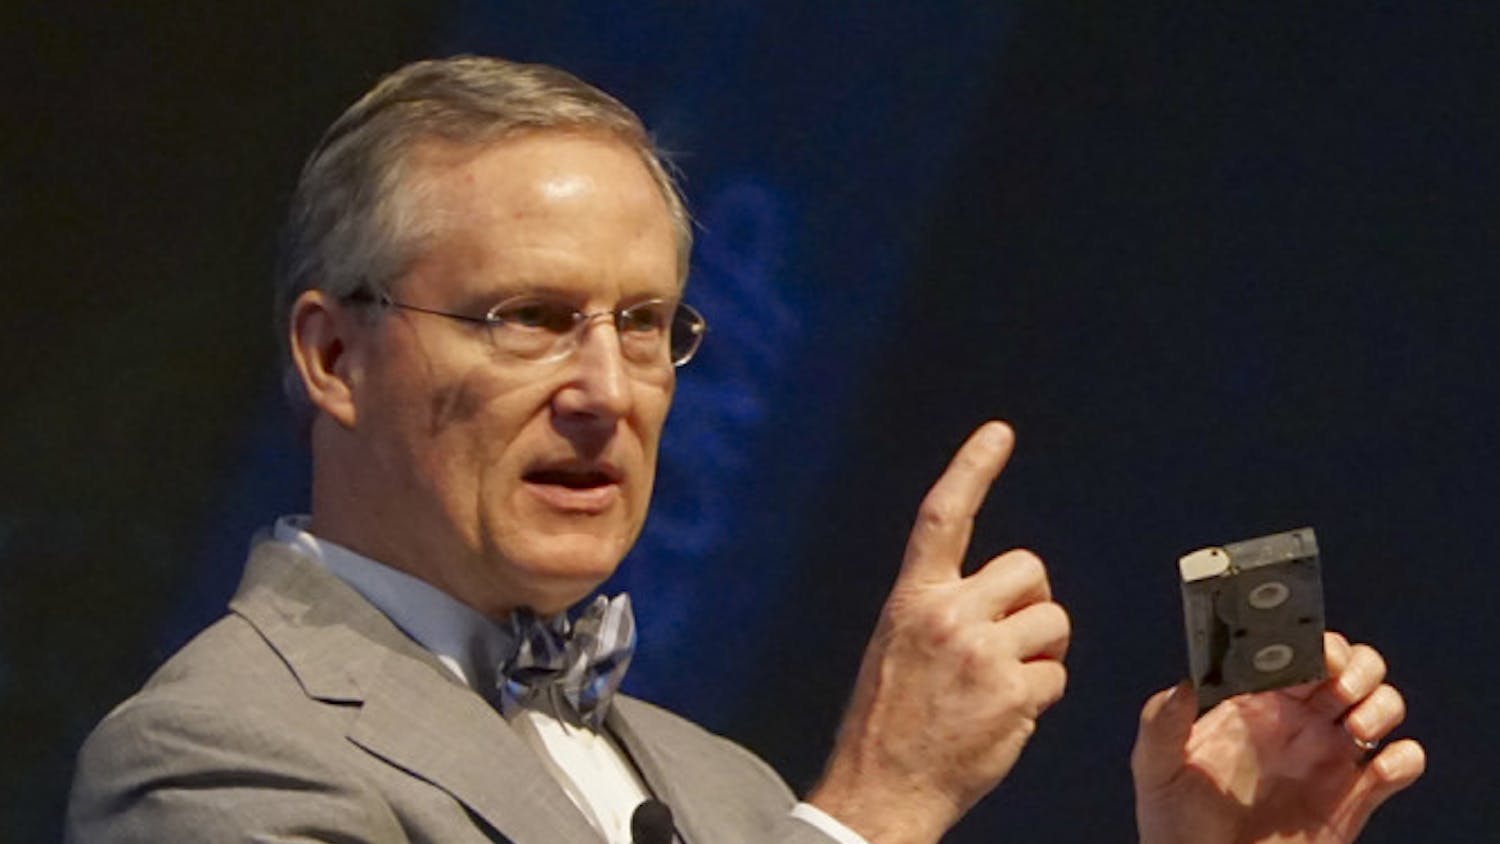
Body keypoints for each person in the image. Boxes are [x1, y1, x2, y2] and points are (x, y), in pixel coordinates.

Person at [65, 56, 1424, 843]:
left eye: (645, 326)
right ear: (333, 356)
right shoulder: (214, 755)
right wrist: (876, 806)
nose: (607, 391)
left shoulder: (725, 790)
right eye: (529, 318)